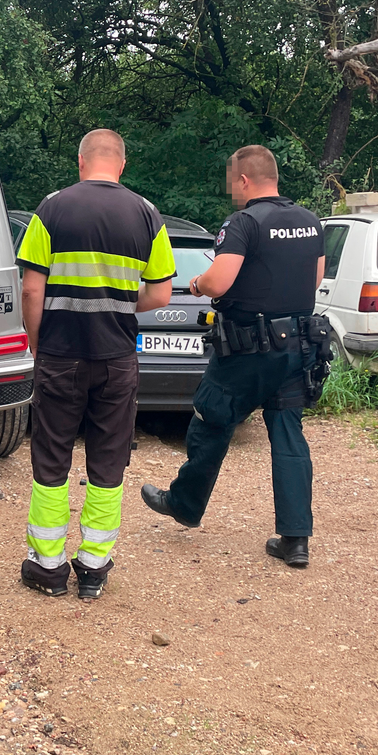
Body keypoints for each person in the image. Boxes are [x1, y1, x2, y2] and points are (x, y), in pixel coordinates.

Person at [140, 145, 325, 568]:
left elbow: (220, 282)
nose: (232, 192)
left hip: (247, 348)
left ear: (244, 179)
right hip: (298, 345)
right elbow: (314, 279)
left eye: (232, 184)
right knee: (288, 435)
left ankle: (184, 505)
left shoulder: (243, 222)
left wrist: (200, 283)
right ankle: (295, 539)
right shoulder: (309, 221)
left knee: (212, 417)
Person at [17, 129, 176, 599]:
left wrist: (37, 341)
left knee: (51, 457)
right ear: (121, 165)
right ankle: (93, 567)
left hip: (61, 355)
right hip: (117, 358)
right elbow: (161, 292)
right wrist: (120, 302)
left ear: (81, 161)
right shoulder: (147, 214)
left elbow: (31, 289)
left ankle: (47, 569)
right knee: (109, 460)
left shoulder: (52, 208)